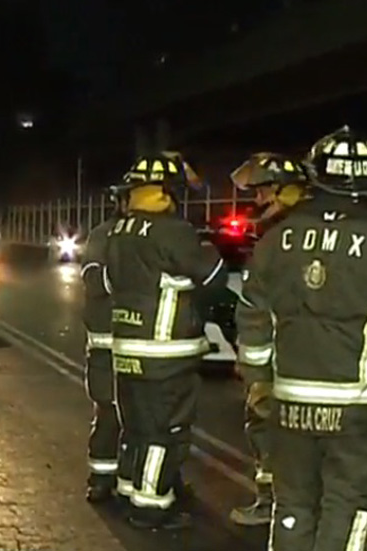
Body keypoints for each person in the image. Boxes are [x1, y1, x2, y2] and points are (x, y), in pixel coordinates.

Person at [236, 126, 367, 551]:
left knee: (292, 507)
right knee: (345, 508)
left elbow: (252, 316)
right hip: (355, 412)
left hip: (290, 406)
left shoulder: (275, 242)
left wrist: (258, 379)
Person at [105, 151, 228, 529]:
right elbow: (213, 278)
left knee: (137, 428)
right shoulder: (174, 232)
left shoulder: (118, 231)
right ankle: (151, 507)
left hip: (127, 347)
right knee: (165, 432)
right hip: (166, 352)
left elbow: (109, 283)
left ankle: (128, 490)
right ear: (169, 192)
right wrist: (209, 246)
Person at [227, 152, 310, 526]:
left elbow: (258, 308)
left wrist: (253, 367)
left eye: (262, 191)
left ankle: (273, 504)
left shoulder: (279, 239)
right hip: (316, 360)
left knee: (267, 427)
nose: (258, 200)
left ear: (283, 191)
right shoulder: (308, 230)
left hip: (282, 360)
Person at [79, 186, 127, 503]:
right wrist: (132, 273)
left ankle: (141, 481)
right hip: (106, 345)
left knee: (146, 421)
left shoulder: (154, 235)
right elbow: (91, 277)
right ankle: (101, 478)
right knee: (109, 413)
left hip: (143, 345)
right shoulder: (102, 235)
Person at [230, 152, 310, 234]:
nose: (257, 200)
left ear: (276, 187)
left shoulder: (294, 224)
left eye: (260, 191)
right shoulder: (300, 217)